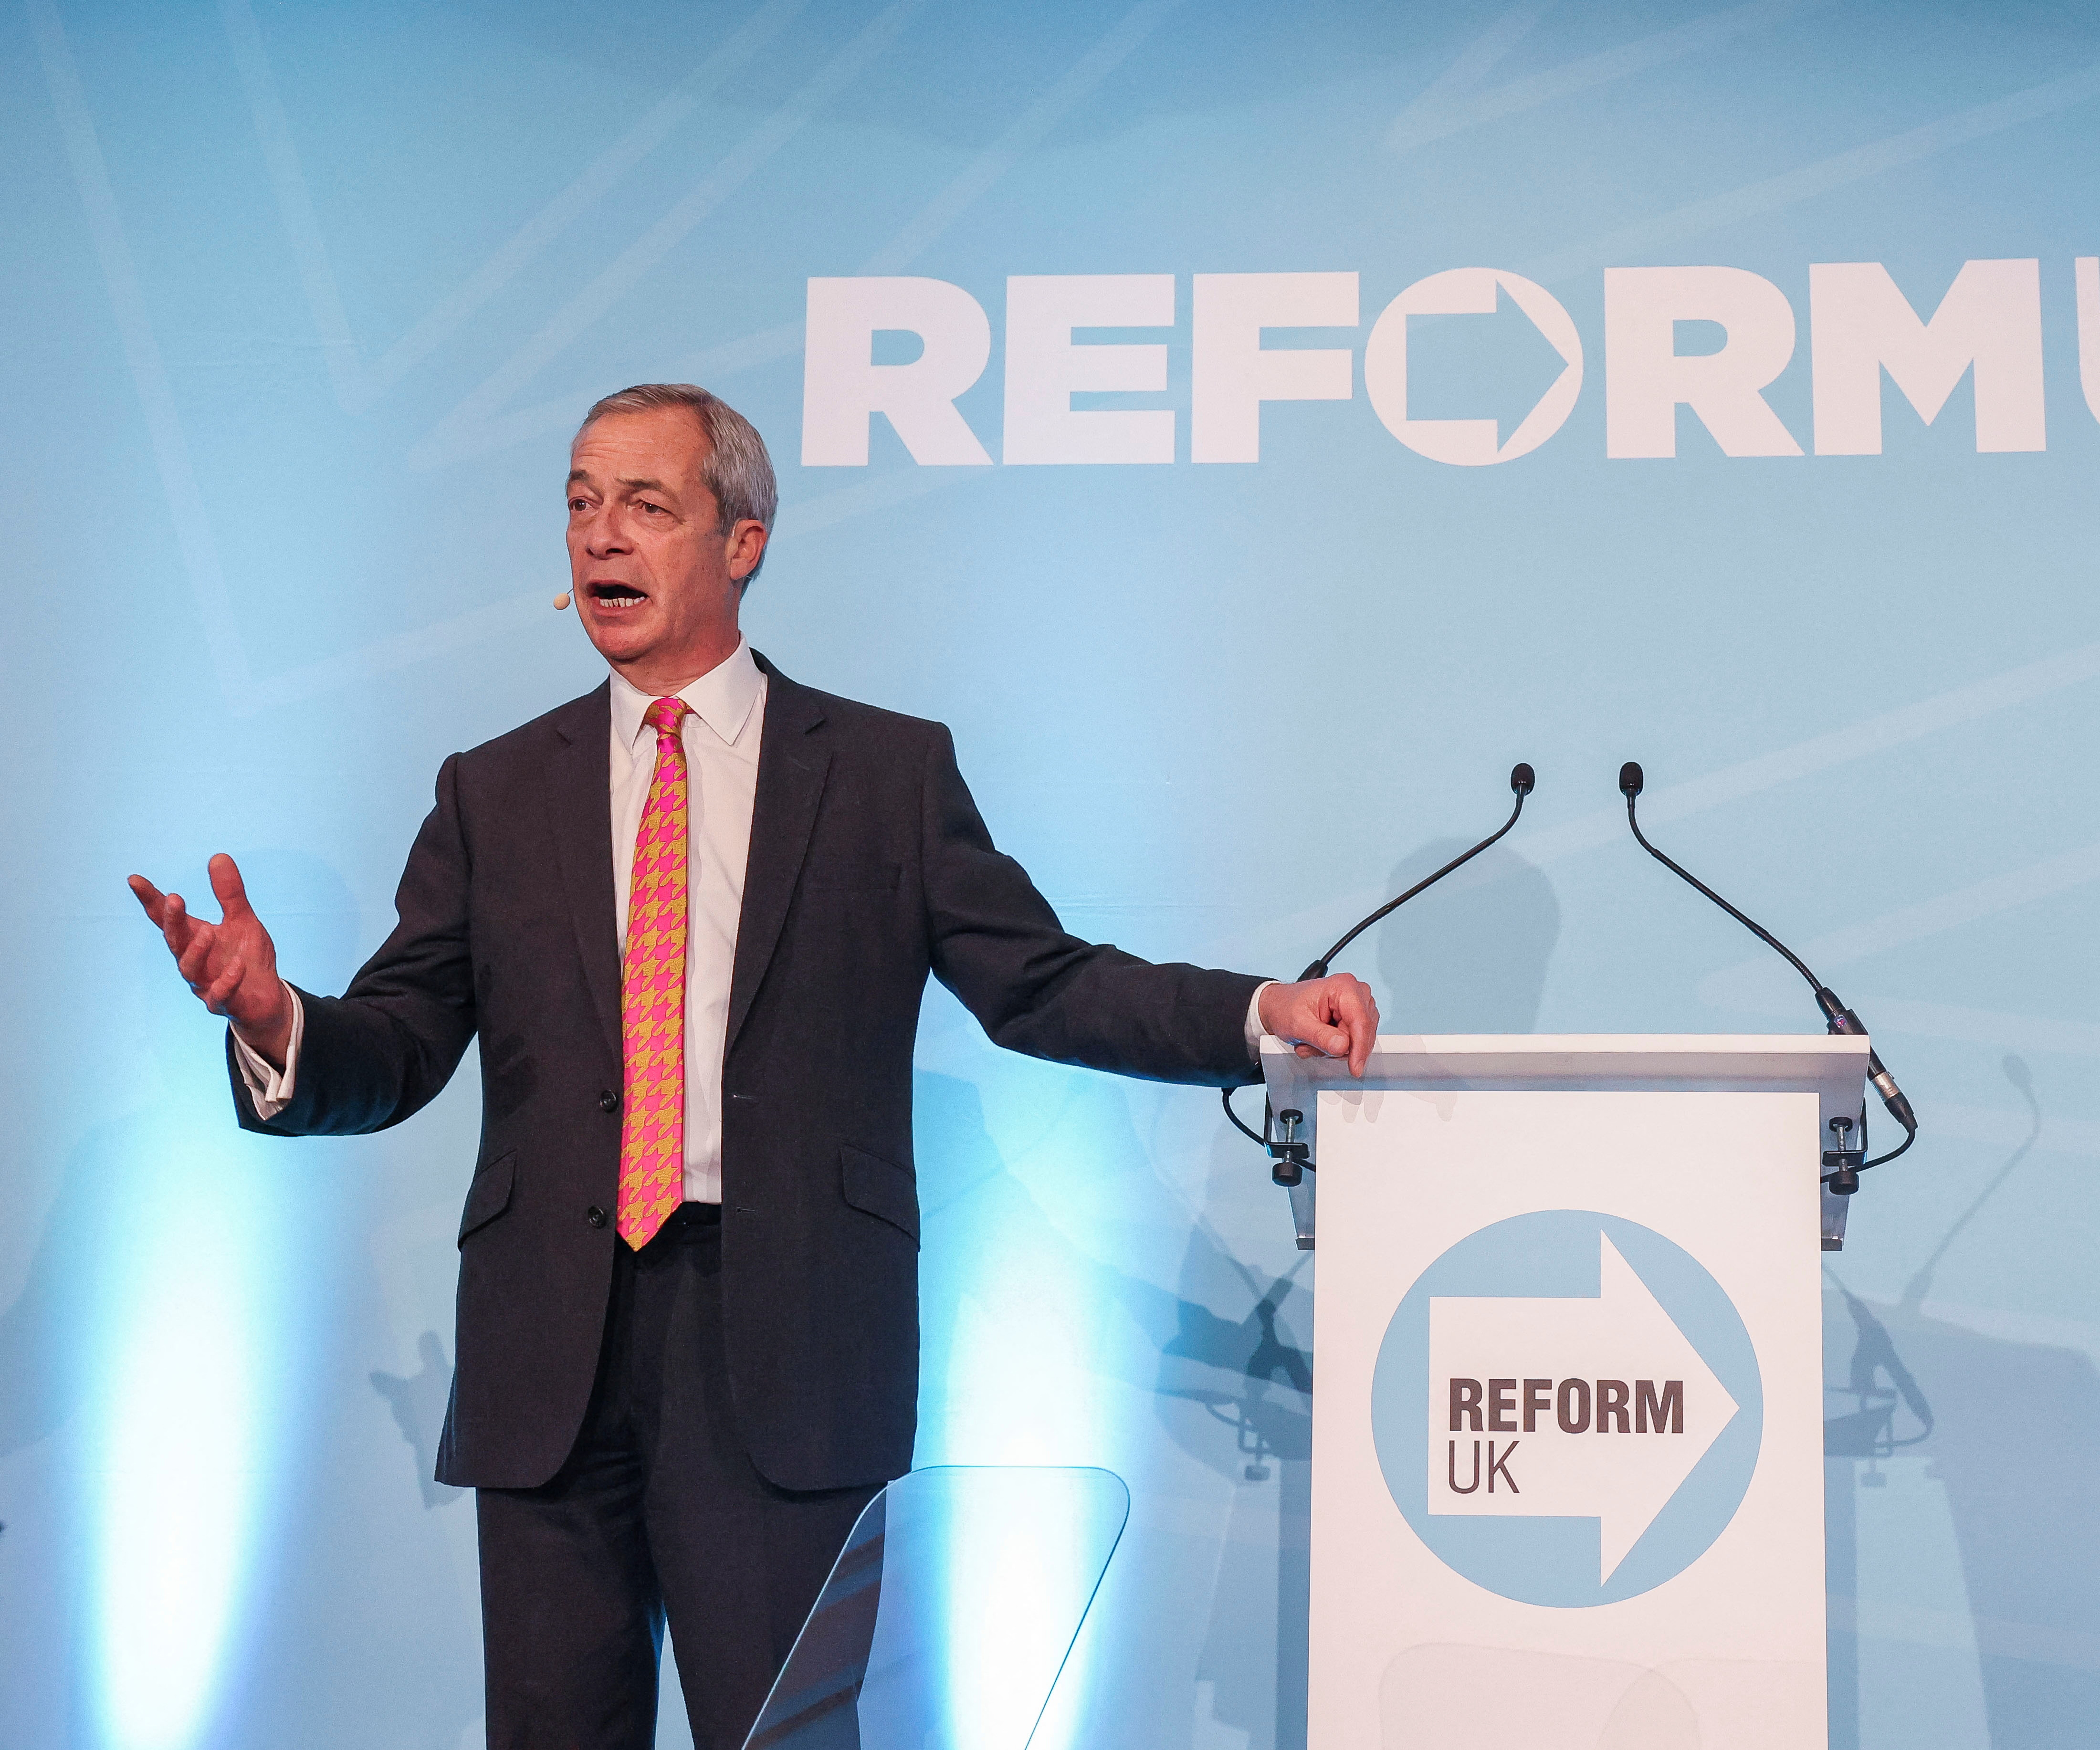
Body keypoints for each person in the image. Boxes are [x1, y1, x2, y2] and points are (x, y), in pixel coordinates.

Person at [128, 383, 1377, 1750]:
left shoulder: (884, 774)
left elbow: (1040, 980)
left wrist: (1259, 1011)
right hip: (554, 1352)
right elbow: (402, 1039)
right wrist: (273, 1019)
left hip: (787, 1348)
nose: (600, 534)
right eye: (580, 501)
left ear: (743, 544)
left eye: (645, 505)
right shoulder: (494, 789)